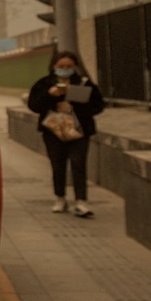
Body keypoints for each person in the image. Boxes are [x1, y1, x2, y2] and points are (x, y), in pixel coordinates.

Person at [27, 51, 108, 217]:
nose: (65, 69)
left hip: (79, 131)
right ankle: (60, 198)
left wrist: (74, 107)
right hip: (53, 131)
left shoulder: (84, 83)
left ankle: (81, 201)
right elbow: (34, 105)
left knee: (78, 164)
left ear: (75, 67)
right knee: (57, 164)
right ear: (54, 66)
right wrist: (50, 96)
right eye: (61, 66)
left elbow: (98, 105)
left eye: (69, 66)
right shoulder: (45, 83)